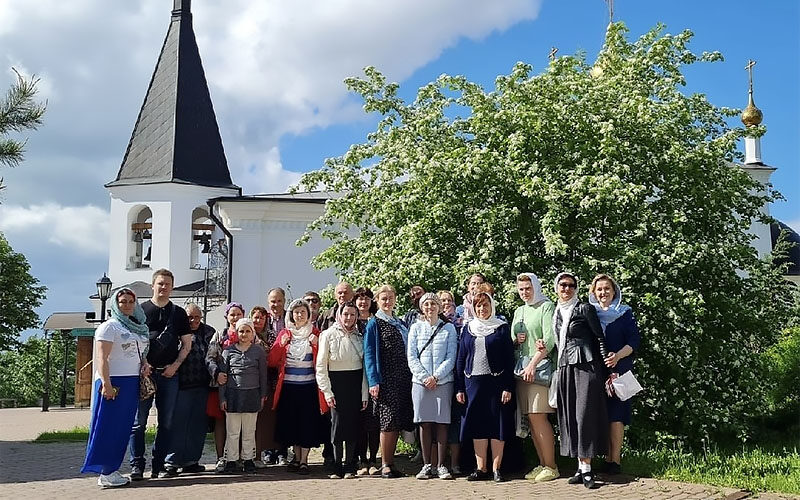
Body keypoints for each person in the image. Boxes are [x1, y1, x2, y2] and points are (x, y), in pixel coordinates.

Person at [82, 288, 151, 488]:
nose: (127, 305)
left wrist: (144, 364)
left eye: (131, 301)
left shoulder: (135, 327)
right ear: (115, 304)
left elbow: (139, 352)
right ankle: (105, 471)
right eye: (122, 302)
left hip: (130, 383)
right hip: (113, 382)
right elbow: (102, 358)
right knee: (108, 426)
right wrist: (107, 384)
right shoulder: (109, 327)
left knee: (122, 428)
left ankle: (112, 468)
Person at [129, 269, 192, 480]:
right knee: (139, 422)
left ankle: (159, 465)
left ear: (172, 287)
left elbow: (186, 344)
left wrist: (175, 365)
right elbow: (134, 342)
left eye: (167, 284)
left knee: (166, 422)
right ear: (152, 285)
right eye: (160, 283)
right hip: (145, 374)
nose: (163, 287)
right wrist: (144, 363)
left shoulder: (179, 313)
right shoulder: (140, 310)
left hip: (169, 374)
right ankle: (137, 465)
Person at [550, 272, 610, 489]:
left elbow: (599, 338)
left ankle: (587, 468)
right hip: (565, 366)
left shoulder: (585, 308)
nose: (566, 289)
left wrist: (608, 370)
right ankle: (579, 465)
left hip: (586, 366)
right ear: (557, 287)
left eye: (571, 285)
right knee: (570, 417)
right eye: (562, 285)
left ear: (576, 288)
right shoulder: (556, 312)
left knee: (584, 414)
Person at [455, 283, 514, 483]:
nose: (482, 309)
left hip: (496, 383)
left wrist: (508, 386)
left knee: (497, 425)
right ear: (473, 308)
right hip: (473, 384)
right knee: (478, 425)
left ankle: (497, 469)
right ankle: (481, 468)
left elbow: (509, 359)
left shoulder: (501, 328)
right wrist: (460, 388)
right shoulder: (468, 329)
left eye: (485, 305)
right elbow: (461, 359)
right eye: (478, 306)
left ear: (492, 306)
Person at [589, 274, 641, 476]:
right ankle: (601, 457)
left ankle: (615, 460)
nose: (603, 293)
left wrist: (617, 356)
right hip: (596, 372)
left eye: (607, 289)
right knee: (598, 416)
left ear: (614, 291)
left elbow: (634, 341)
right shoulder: (588, 313)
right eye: (599, 289)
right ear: (594, 292)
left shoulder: (625, 313)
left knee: (617, 416)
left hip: (618, 371)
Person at [269, 299, 328, 475]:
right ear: (291, 315)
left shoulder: (316, 334)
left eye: (303, 312)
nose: (300, 315)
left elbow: (325, 361)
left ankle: (304, 461)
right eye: (296, 312)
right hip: (288, 388)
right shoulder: (285, 334)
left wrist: (317, 344)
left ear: (309, 315)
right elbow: (271, 360)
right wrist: (281, 345)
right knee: (292, 424)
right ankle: (295, 457)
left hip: (309, 388)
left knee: (307, 424)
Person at [364, 284, 414, 479]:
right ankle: (385, 464)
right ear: (377, 300)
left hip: (403, 378)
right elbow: (369, 354)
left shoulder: (399, 322)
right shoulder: (374, 323)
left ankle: (391, 463)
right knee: (388, 421)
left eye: (390, 298)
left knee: (397, 421)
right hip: (386, 379)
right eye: (384, 298)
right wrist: (373, 381)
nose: (387, 301)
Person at [512, 273, 559, 482]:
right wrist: (515, 339)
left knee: (538, 416)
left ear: (536, 287)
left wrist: (533, 364)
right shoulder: (519, 310)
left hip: (538, 369)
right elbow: (513, 340)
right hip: (521, 370)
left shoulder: (546, 307)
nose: (524, 292)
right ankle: (542, 464)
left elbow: (549, 340)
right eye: (521, 289)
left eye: (528, 288)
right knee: (530, 419)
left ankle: (552, 465)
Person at [407, 293, 458, 480]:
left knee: (442, 423)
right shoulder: (415, 328)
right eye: (426, 304)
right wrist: (424, 377)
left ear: (439, 306)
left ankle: (441, 465)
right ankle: (427, 465)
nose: (430, 307)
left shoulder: (449, 329)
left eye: (433, 303)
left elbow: (451, 356)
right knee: (425, 423)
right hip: (420, 383)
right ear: (422, 307)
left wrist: (436, 376)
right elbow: (411, 356)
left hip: (443, 382)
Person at [316, 302, 369, 479]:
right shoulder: (328, 334)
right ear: (340, 314)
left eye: (352, 314)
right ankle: (337, 466)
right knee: (337, 427)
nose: (349, 318)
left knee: (353, 427)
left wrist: (364, 393)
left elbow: (363, 369)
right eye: (346, 314)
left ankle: (350, 466)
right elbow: (321, 366)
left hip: (354, 383)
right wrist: (327, 391)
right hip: (336, 383)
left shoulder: (360, 336)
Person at [164, 303, 214, 476]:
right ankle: (171, 461)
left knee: (198, 425)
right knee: (178, 424)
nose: (193, 321)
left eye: (197, 317)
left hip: (203, 385)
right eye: (189, 317)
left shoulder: (209, 332)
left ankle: (192, 460)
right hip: (181, 384)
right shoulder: (177, 332)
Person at [218, 318, 269, 474]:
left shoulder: (258, 351)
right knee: (233, 431)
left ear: (253, 333)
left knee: (249, 430)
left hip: (252, 394)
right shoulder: (228, 351)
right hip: (233, 395)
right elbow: (223, 376)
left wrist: (262, 395)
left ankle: (248, 460)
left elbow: (263, 375)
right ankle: (231, 460)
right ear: (236, 332)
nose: (244, 334)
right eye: (241, 331)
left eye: (248, 331)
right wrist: (223, 398)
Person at [206, 302, 245, 473]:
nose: (235, 318)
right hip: (221, 385)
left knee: (242, 423)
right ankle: (221, 457)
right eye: (232, 315)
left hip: (242, 387)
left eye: (238, 314)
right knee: (221, 422)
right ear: (226, 317)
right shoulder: (219, 335)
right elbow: (210, 358)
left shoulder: (249, 333)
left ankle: (240, 457)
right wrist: (216, 374)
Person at [353, 286, 380, 475]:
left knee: (374, 420)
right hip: (355, 378)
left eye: (367, 299)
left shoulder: (377, 322)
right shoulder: (350, 323)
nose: (363, 303)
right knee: (360, 421)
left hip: (374, 376)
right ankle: (361, 459)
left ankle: (373, 459)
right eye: (360, 299)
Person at [251, 305, 281, 467]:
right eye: (256, 317)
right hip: (250, 382)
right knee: (253, 421)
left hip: (269, 381)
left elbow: (275, 354)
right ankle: (253, 455)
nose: (258, 320)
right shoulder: (247, 332)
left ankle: (267, 453)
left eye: (262, 317)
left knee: (267, 420)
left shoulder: (271, 335)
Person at [439, 290, 464, 475]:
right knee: (438, 421)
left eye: (449, 300)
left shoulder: (461, 321)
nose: (446, 303)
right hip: (437, 379)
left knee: (455, 420)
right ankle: (437, 463)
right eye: (442, 300)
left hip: (457, 375)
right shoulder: (432, 323)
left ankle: (455, 462)